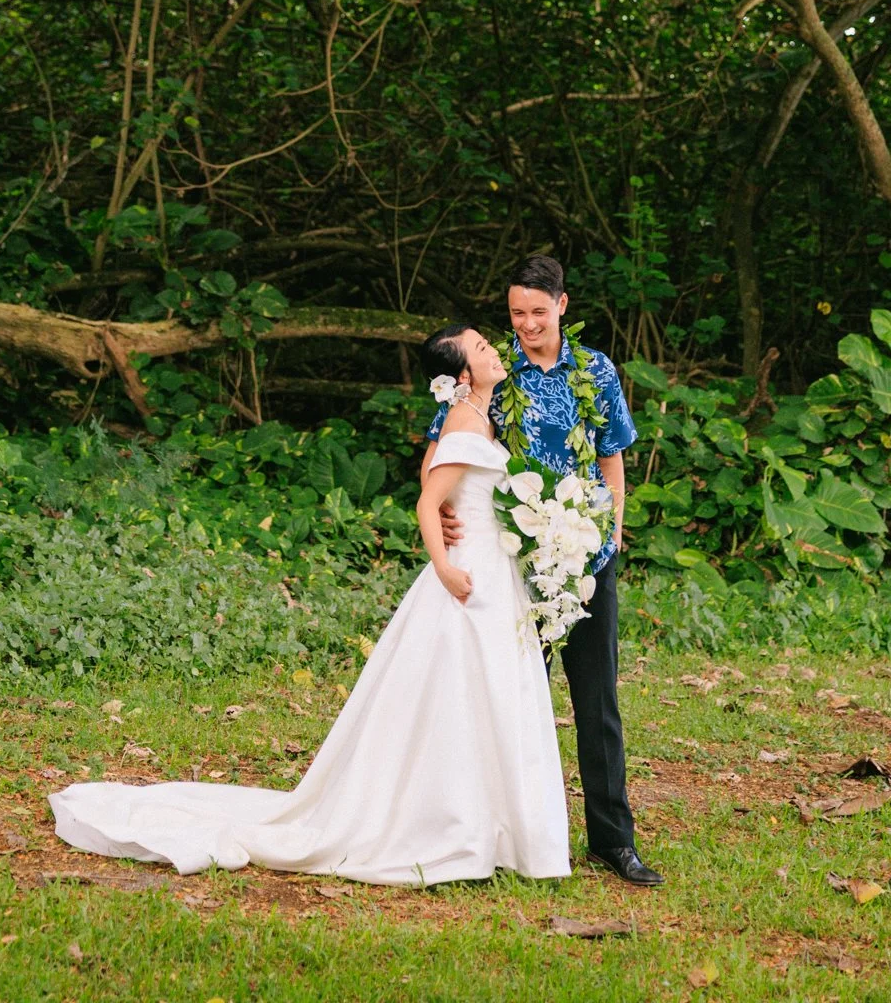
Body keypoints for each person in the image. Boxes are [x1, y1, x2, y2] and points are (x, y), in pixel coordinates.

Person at [49, 326, 570, 885]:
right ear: (464, 375)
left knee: (488, 692)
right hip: (469, 575)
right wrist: (444, 566)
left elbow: (438, 472)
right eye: (484, 349)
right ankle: (454, 822)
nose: (496, 352)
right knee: (467, 691)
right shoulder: (467, 420)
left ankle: (488, 823)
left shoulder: (479, 421)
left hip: (494, 568)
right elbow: (428, 500)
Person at [423, 254, 663, 889]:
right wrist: (444, 511)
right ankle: (499, 831)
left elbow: (612, 455)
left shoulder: (596, 370)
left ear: (562, 305)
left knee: (597, 699)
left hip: (586, 556)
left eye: (537, 311)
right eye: (515, 313)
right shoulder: (493, 376)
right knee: (512, 700)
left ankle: (614, 841)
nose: (526, 325)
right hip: (513, 562)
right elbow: (443, 448)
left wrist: (611, 529)